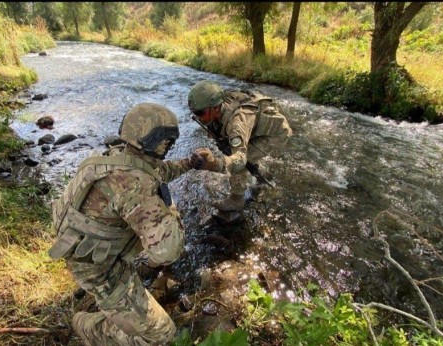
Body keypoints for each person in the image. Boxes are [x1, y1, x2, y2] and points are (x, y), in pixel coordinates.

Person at [48, 103, 211, 345]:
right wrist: (171, 209)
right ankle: (88, 326)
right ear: (160, 141)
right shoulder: (134, 185)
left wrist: (190, 162)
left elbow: (157, 172)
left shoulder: (116, 157)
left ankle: (117, 304)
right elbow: (167, 251)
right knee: (161, 335)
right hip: (99, 269)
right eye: (168, 142)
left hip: (91, 249)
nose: (169, 147)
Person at [187, 80, 293, 213]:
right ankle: (258, 174)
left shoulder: (236, 124)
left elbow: (240, 158)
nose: (198, 117)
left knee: (240, 164)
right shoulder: (217, 110)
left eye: (200, 113)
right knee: (236, 154)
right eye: (195, 113)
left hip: (275, 134)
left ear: (215, 107)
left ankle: (236, 200)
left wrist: (215, 164)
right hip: (254, 129)